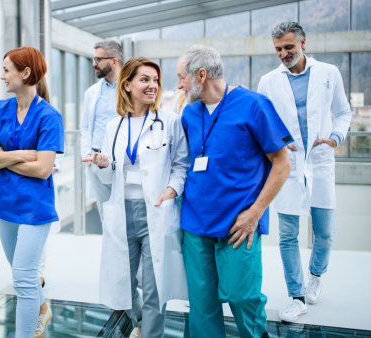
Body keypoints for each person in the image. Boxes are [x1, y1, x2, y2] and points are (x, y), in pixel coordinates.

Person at [177, 45, 292, 338]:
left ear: (201, 75)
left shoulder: (254, 105)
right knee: (202, 307)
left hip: (241, 224)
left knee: (243, 298)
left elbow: (282, 164)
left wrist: (255, 212)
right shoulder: (189, 113)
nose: (178, 85)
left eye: (182, 77)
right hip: (195, 225)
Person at [257, 22, 352, 323]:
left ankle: (316, 274)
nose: (283, 53)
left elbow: (344, 112)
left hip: (320, 160)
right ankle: (296, 297)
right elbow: (263, 121)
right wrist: (277, 144)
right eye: (278, 49)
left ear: (303, 43)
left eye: (288, 47)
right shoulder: (268, 81)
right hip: (289, 164)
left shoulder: (328, 72)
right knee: (288, 235)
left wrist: (335, 138)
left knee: (325, 231)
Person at [91, 57, 190, 338]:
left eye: (155, 80)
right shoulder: (115, 126)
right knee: (121, 281)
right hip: (121, 212)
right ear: (127, 85)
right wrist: (102, 165)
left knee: (154, 284)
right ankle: (139, 323)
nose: (152, 86)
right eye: (145, 79)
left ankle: (151, 334)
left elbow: (182, 164)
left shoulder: (169, 121)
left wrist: (172, 190)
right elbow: (110, 176)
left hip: (156, 210)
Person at [0, 46, 64, 338]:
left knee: (24, 279)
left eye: (6, 69)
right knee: (21, 273)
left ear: (25, 73)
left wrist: (4, 155)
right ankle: (42, 308)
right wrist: (21, 155)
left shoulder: (49, 116)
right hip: (5, 205)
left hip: (35, 208)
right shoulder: (1, 110)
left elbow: (43, 170)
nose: (2, 76)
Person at [80, 40, 124, 221]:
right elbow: (85, 127)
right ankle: (110, 250)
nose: (94, 64)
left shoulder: (131, 88)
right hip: (96, 160)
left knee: (125, 214)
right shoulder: (92, 92)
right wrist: (87, 154)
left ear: (114, 61)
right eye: (93, 59)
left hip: (123, 160)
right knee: (106, 216)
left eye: (98, 59)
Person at [35, 78, 64, 289]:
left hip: (40, 187)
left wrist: (11, 158)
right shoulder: (8, 113)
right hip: (15, 188)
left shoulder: (50, 117)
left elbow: (50, 166)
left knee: (39, 235)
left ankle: (39, 274)